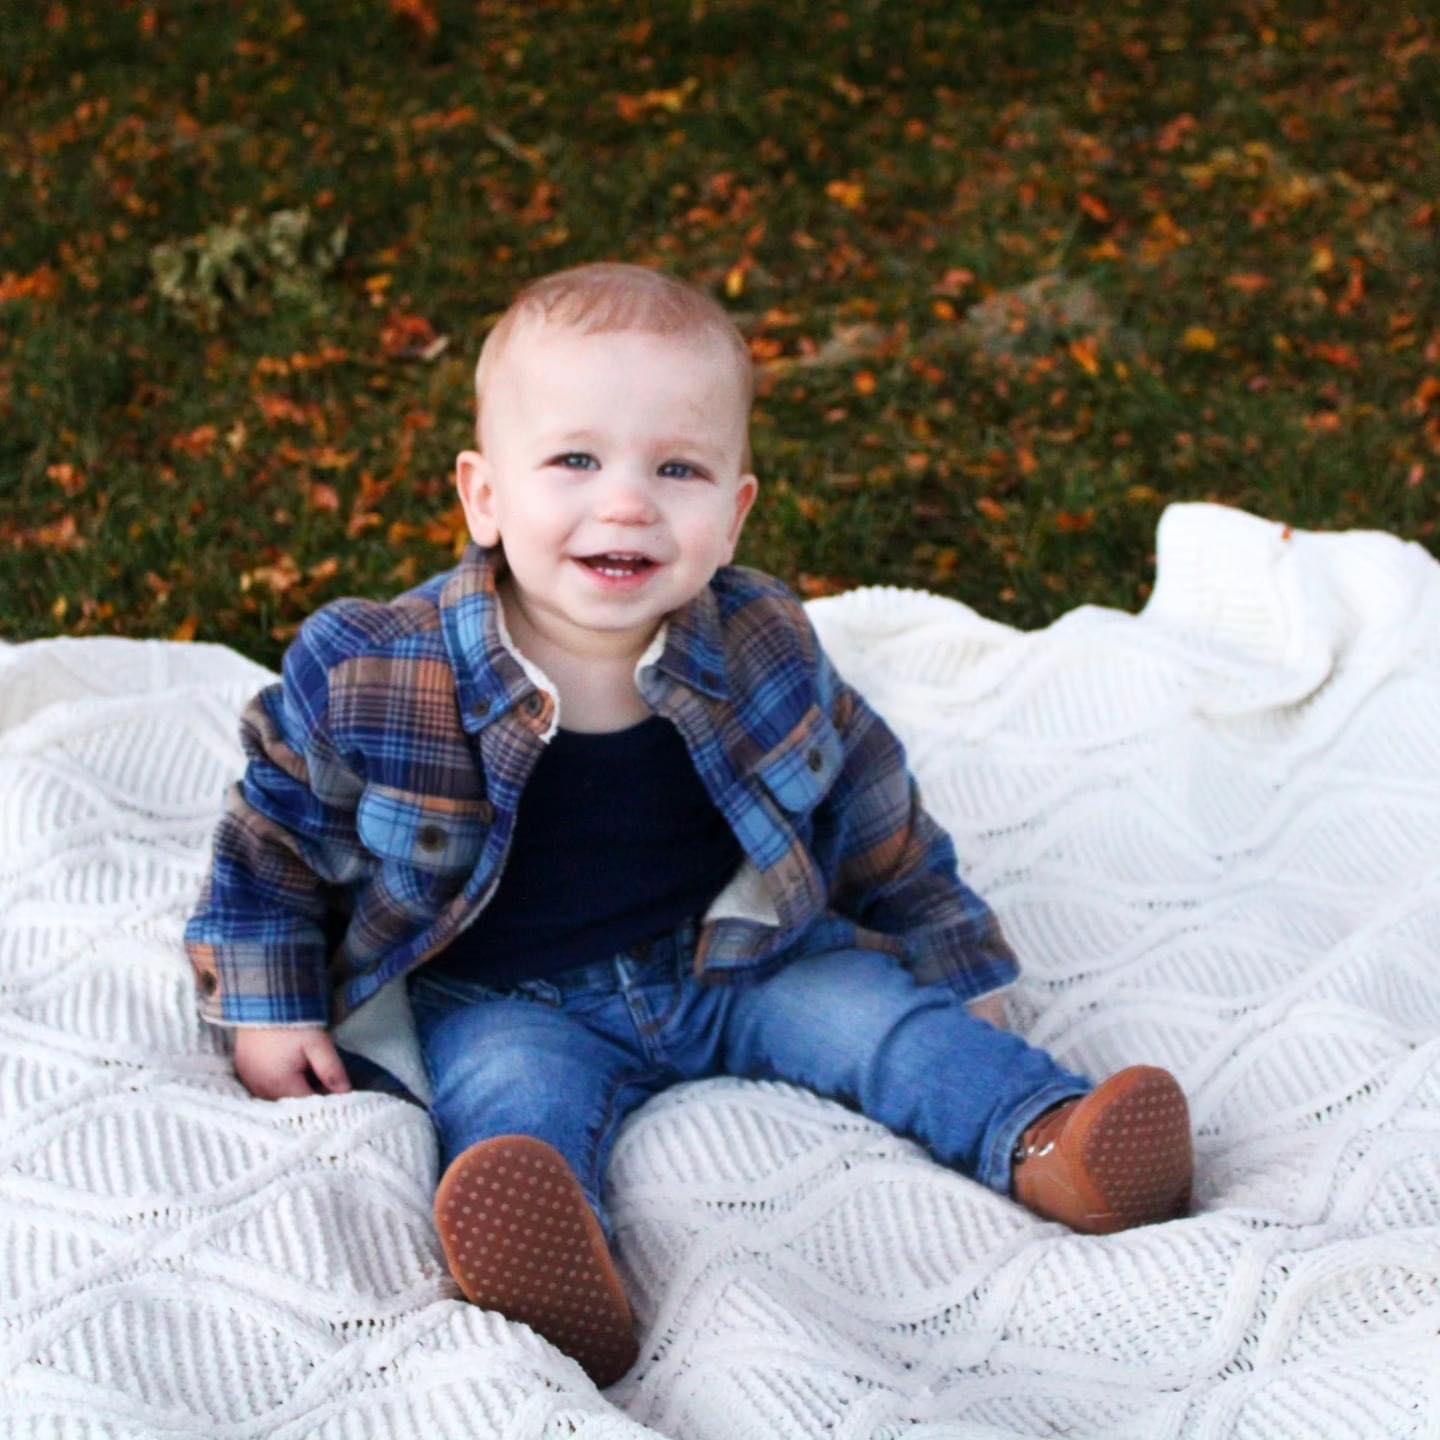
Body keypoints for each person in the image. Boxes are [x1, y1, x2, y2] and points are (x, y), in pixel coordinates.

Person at [185, 262, 1192, 1388]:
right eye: (575, 460)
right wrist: (269, 1006)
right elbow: (272, 843)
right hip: (508, 994)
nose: (627, 503)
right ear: (484, 495)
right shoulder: (379, 674)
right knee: (512, 1111)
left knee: (883, 1024)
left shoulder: (762, 640)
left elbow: (870, 803)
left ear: (734, 513)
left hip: (735, 955)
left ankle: (1057, 1140)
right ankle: (555, 1271)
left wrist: (950, 953)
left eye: (678, 468)